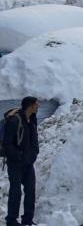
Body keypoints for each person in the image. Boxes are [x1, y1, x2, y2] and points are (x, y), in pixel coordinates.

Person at [3, 96, 39, 226]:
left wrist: (34, 153)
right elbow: (7, 144)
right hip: (15, 163)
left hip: (28, 163)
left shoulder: (32, 120)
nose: (38, 106)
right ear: (30, 106)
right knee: (15, 192)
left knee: (30, 191)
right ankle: (11, 220)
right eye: (36, 104)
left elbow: (34, 139)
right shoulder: (14, 120)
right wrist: (18, 156)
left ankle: (27, 220)